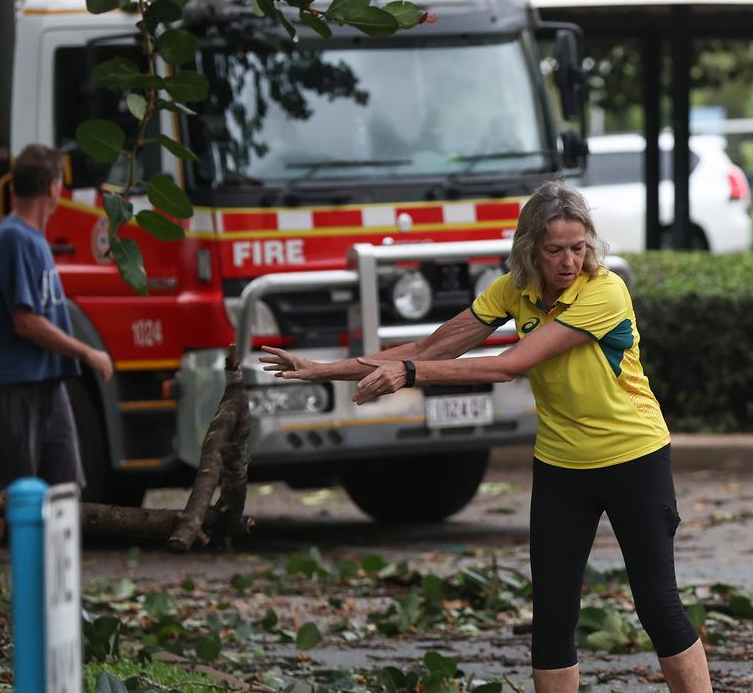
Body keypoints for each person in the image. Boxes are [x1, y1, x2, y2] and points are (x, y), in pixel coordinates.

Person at [260, 181, 713, 693]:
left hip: (633, 458)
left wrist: (410, 375)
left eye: (578, 248)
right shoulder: (511, 291)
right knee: (552, 616)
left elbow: (509, 365)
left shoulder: (604, 291)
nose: (568, 261)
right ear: (530, 251)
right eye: (555, 250)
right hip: (563, 465)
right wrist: (324, 369)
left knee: (656, 605)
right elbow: (436, 345)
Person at [0, 144, 113, 589]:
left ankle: (59, 592)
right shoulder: (11, 238)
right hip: (11, 385)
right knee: (0, 495)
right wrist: (87, 352)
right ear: (54, 188)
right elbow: (26, 321)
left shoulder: (33, 238)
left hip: (51, 385)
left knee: (67, 486)